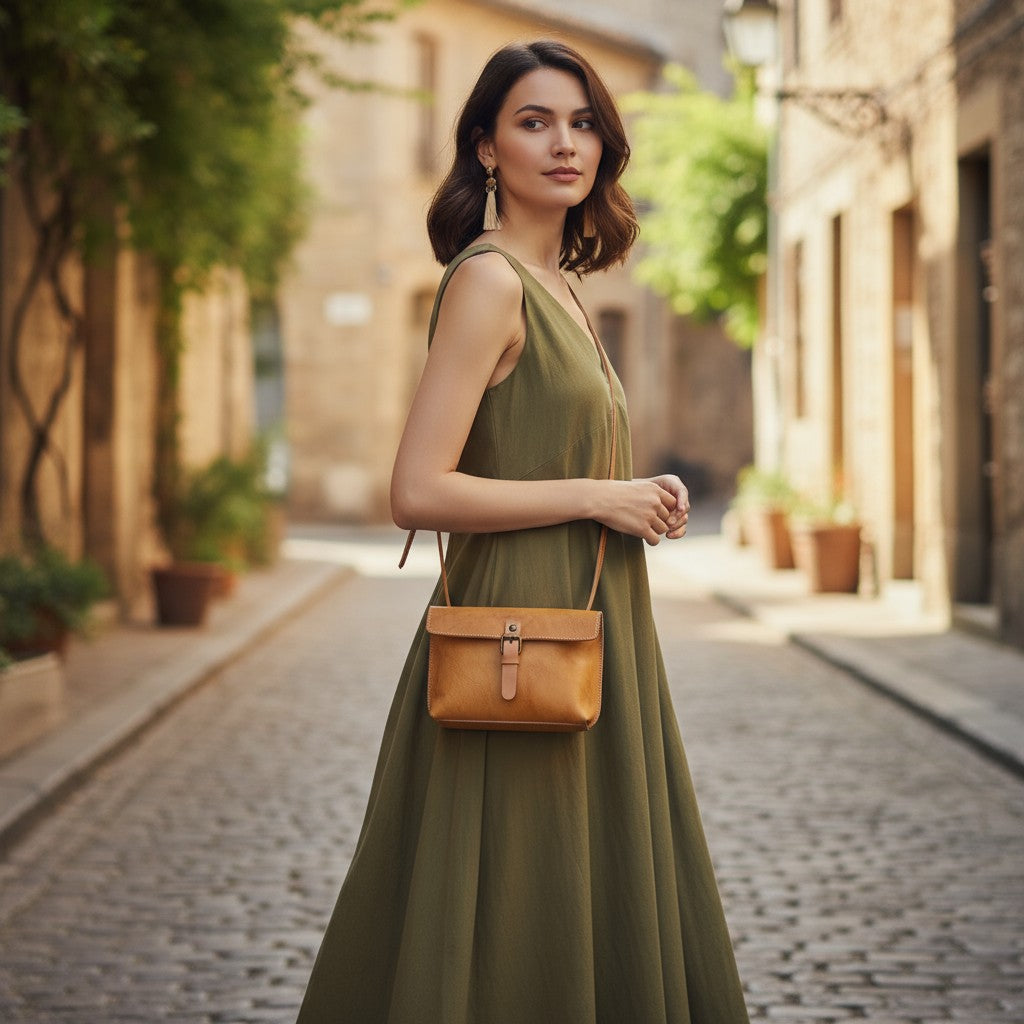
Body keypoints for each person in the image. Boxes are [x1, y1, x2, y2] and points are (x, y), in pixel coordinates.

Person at [295, 39, 750, 1024]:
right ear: (487, 148)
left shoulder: (567, 289)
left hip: (589, 623)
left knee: (574, 872)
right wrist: (596, 495)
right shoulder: (489, 281)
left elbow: (542, 446)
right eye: (534, 121)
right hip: (514, 640)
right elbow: (416, 489)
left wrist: (639, 491)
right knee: (509, 883)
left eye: (583, 122)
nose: (564, 143)